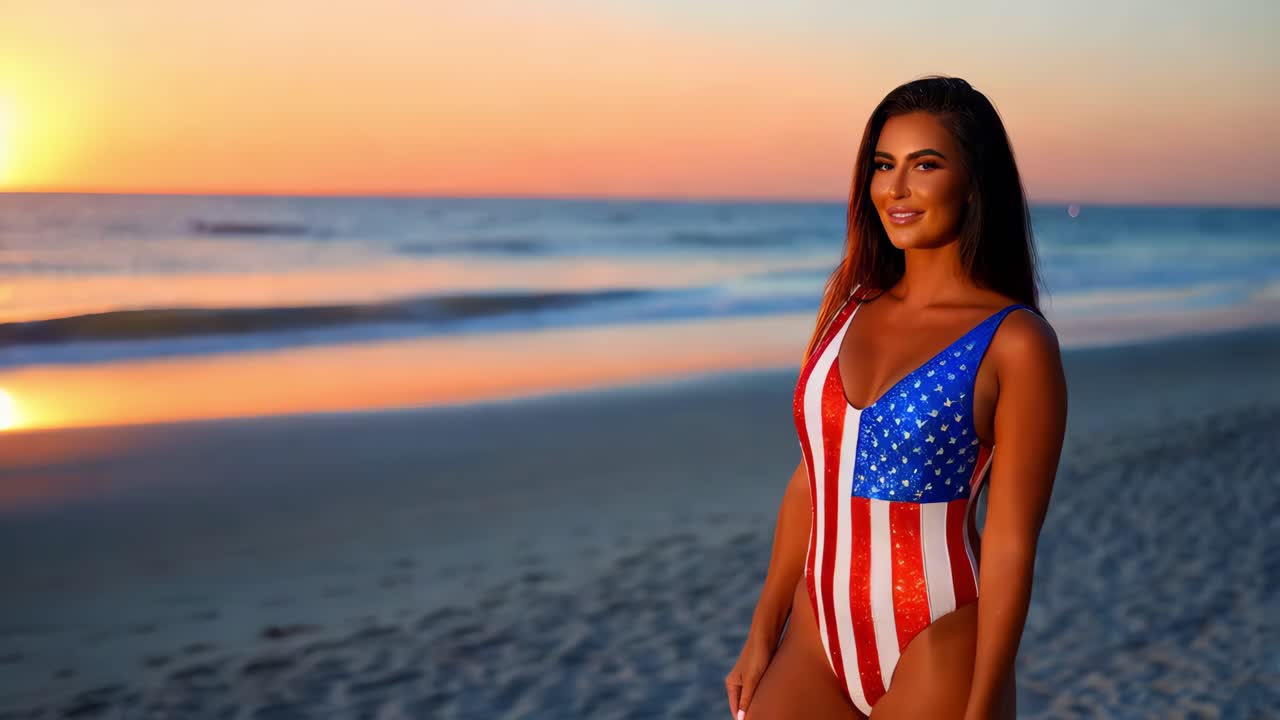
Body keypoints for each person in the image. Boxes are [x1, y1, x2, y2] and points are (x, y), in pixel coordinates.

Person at [724, 75, 1068, 720]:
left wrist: (987, 697)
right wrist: (762, 630)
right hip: (814, 638)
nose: (896, 189)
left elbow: (1012, 542)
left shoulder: (1015, 342)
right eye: (883, 165)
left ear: (974, 182)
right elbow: (813, 479)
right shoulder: (847, 308)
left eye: (925, 165)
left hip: (938, 641)